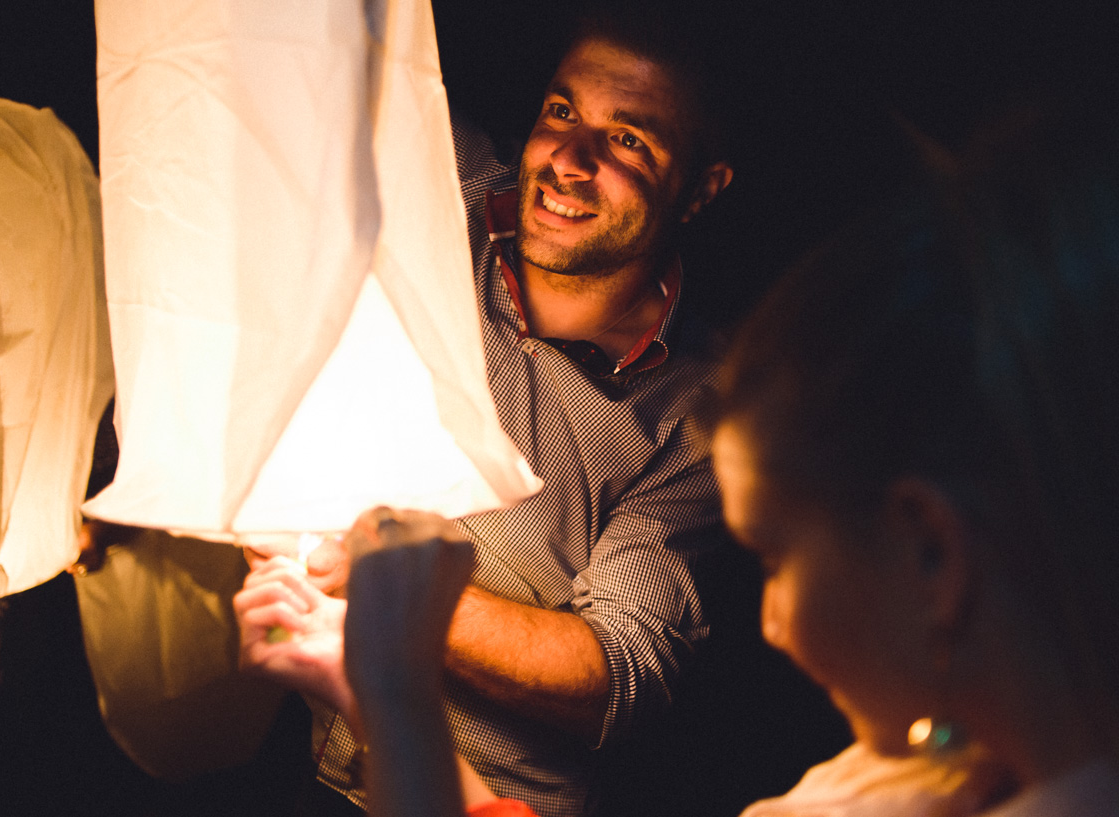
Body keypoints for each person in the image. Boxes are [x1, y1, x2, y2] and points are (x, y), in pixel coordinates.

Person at [316, 101, 1119, 817]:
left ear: (932, 550)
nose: (766, 623)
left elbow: (623, 664)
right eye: (562, 112)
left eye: (772, 557)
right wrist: (367, 690)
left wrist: (394, 676)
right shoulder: (911, 772)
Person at [235, 6, 734, 815]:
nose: (569, 160)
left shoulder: (698, 415)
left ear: (700, 189)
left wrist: (386, 581)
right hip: (292, 743)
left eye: (629, 140)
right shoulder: (440, 176)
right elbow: (296, 57)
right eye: (562, 112)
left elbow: (620, 671)